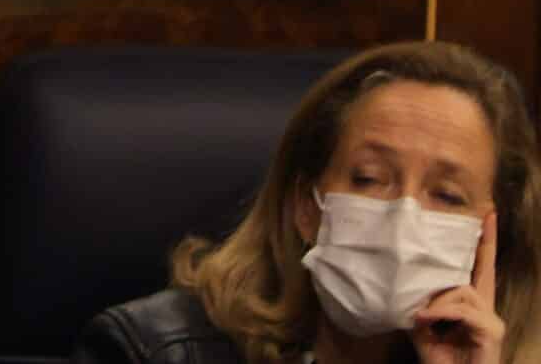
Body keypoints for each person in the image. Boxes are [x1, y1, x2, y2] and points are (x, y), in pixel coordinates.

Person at [74, 41, 541, 364]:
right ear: (307, 207)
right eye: (369, 178)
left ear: (491, 237)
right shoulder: (153, 350)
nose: (404, 215)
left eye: (446, 194)